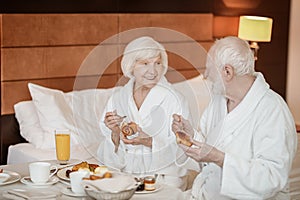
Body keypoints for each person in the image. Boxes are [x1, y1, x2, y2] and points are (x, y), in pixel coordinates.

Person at [172, 36, 297, 199]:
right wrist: (191, 136)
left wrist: (220, 158)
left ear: (227, 72)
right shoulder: (219, 101)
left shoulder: (272, 110)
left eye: (209, 69)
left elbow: (272, 177)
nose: (206, 75)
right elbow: (208, 148)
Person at [97, 36, 190, 189]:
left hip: (164, 178)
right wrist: (114, 134)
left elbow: (186, 147)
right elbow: (107, 157)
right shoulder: (117, 99)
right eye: (145, 63)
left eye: (158, 63)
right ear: (131, 66)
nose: (153, 71)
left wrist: (149, 141)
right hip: (125, 176)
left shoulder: (175, 100)